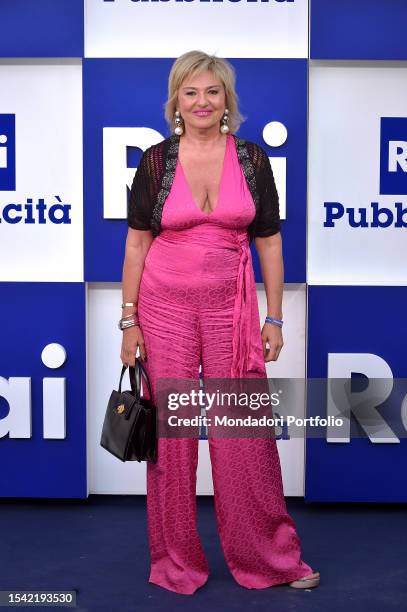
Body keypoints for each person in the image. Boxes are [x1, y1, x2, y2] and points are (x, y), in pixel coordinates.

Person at [120, 50, 320, 595]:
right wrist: (128, 321)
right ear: (176, 102)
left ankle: (270, 559)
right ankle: (176, 561)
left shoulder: (253, 161)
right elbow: (137, 243)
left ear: (227, 100)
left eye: (213, 91)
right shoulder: (156, 162)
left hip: (232, 308)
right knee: (174, 437)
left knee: (245, 434)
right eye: (191, 92)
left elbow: (271, 243)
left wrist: (274, 317)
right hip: (163, 310)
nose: (203, 102)